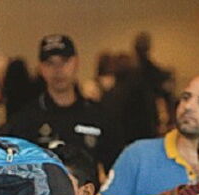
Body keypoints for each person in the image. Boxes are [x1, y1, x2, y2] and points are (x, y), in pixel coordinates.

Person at [9, 34, 121, 171]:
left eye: (64, 61)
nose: (58, 70)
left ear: (76, 63)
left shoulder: (99, 117)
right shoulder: (25, 121)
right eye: (50, 63)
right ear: (41, 68)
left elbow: (115, 169)